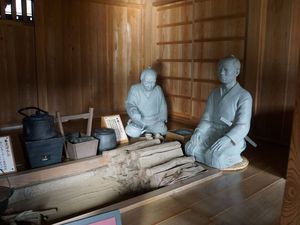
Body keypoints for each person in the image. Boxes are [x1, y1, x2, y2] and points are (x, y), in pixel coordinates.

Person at [185, 55, 252, 169]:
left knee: (214, 158)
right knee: (190, 148)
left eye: (226, 70)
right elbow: (207, 118)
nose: (221, 72)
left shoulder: (244, 96)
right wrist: (199, 131)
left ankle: (235, 157)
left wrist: (227, 138)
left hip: (231, 135)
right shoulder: (214, 94)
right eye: (219, 69)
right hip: (212, 131)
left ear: (237, 72)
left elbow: (243, 125)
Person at [125, 66, 168, 138]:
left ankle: (148, 131)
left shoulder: (158, 89)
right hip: (140, 121)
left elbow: (163, 105)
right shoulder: (135, 89)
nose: (150, 85)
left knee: (163, 130)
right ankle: (147, 131)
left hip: (154, 121)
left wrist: (163, 118)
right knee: (131, 131)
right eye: (147, 82)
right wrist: (134, 112)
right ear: (141, 79)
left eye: (153, 82)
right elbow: (130, 104)